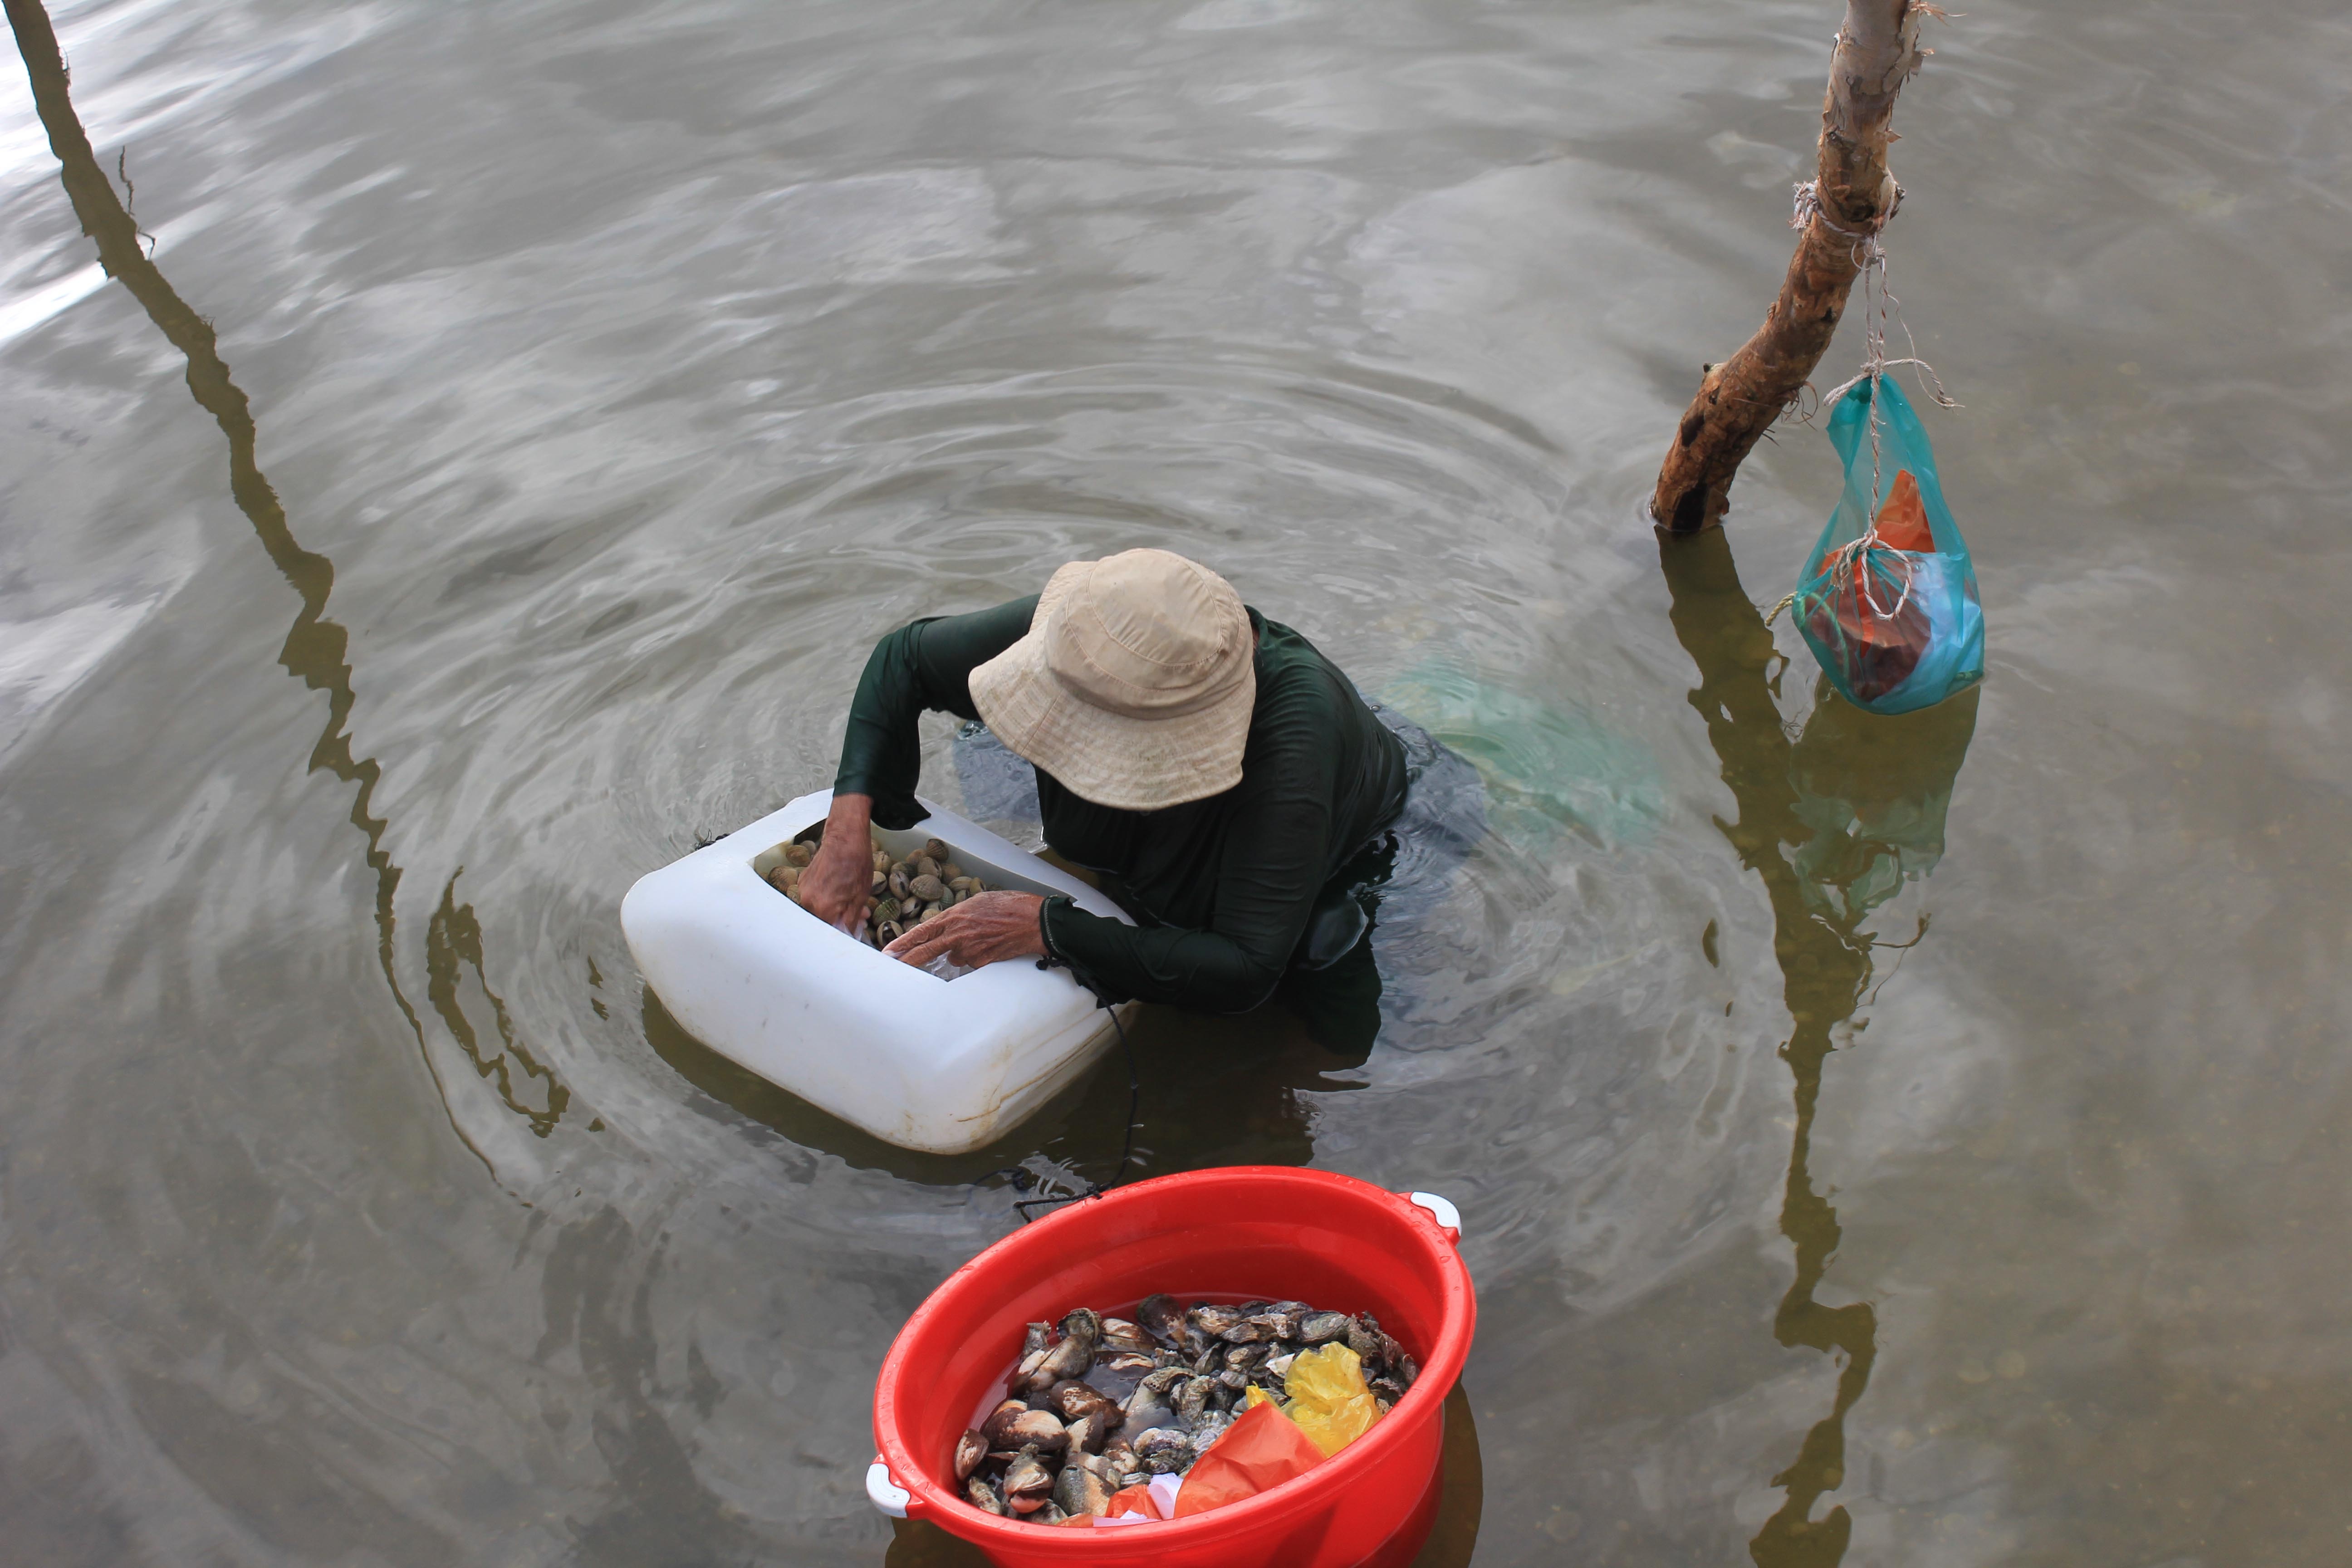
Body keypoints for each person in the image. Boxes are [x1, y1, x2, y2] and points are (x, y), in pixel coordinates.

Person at [796, 549, 1409, 1012]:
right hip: (1176, 803)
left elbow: (1244, 967)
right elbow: (903, 661)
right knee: (984, 749)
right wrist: (850, 823)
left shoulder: (1294, 742)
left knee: (1317, 951)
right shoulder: (1092, 634)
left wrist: (1046, 926)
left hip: (1335, 828)